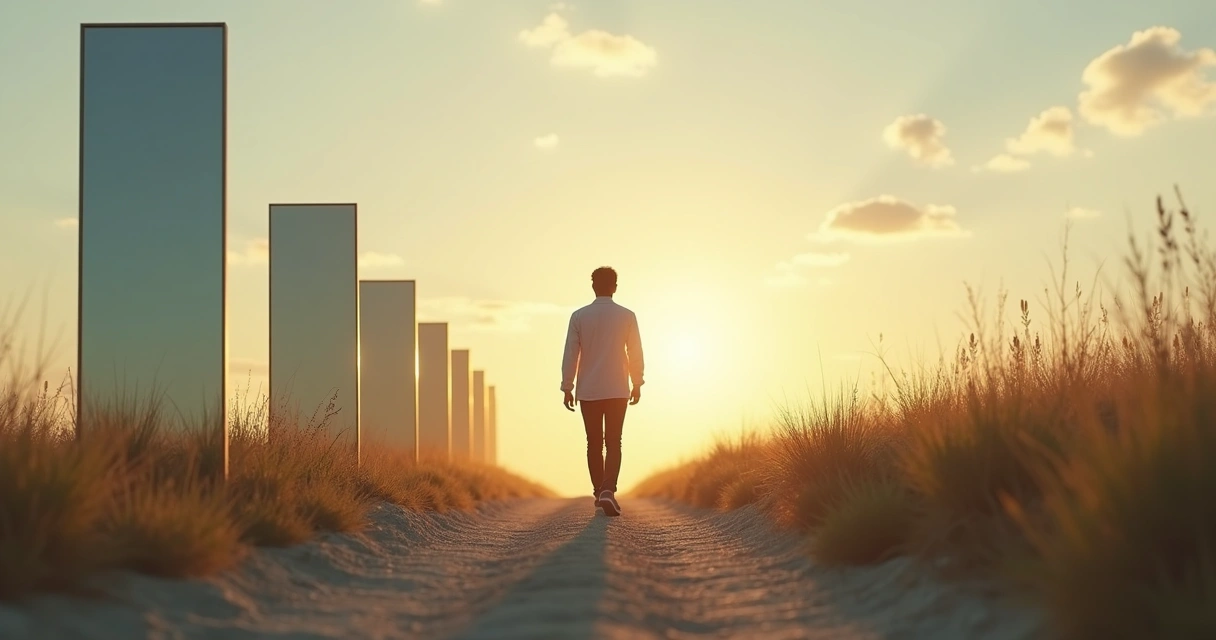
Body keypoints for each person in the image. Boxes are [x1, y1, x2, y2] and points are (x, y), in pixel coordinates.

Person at [560, 266, 644, 517]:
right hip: (618, 388)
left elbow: (571, 354)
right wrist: (637, 382)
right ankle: (608, 490)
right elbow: (635, 351)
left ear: (593, 286)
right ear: (615, 287)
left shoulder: (579, 316)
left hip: (589, 390)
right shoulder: (627, 316)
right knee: (614, 441)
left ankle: (599, 492)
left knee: (593, 443)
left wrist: (567, 386)